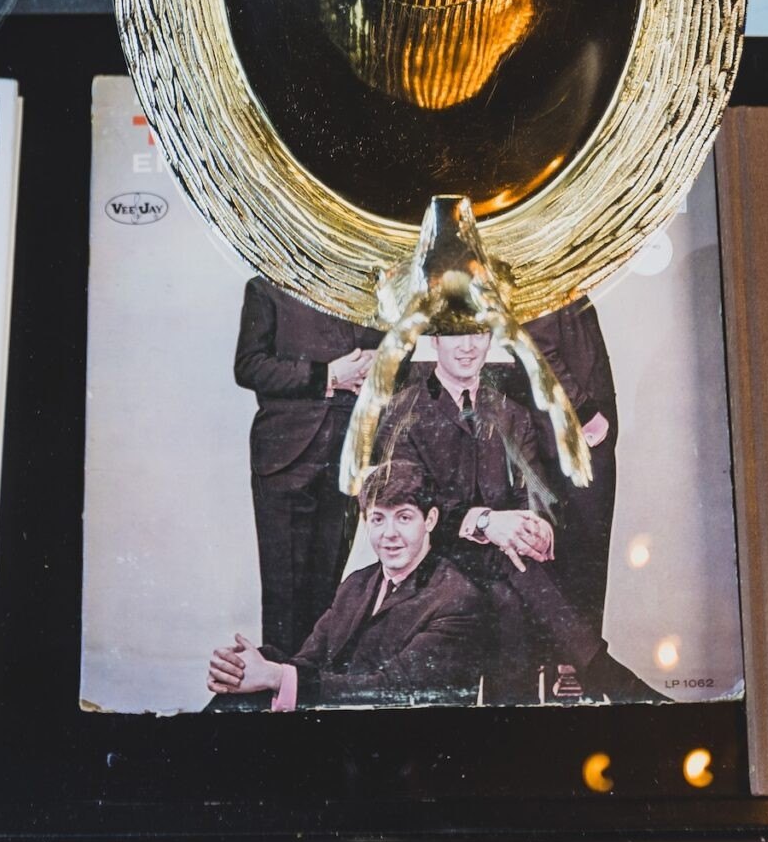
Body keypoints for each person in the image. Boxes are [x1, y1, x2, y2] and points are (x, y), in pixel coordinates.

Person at [376, 331, 659, 703]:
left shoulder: (512, 413)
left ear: (489, 338)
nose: (467, 347)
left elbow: (533, 494)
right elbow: (404, 507)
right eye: (455, 337)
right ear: (434, 342)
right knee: (512, 589)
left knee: (510, 597)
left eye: (476, 336)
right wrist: (485, 523)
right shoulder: (402, 412)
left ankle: (515, 725)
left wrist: (537, 527)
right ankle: (603, 672)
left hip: (502, 558)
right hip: (435, 553)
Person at [207, 460, 484, 711]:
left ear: (430, 520)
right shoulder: (357, 584)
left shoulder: (456, 598)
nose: (389, 534)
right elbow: (308, 662)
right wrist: (248, 668)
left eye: (404, 517)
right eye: (378, 519)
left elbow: (392, 691)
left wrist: (276, 676)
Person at [232, 277, 384, 656]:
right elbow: (249, 366)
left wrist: (384, 361)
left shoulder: (371, 287)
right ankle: (280, 697)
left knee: (329, 593)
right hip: (286, 459)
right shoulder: (266, 287)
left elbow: (397, 348)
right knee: (285, 599)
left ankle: (309, 691)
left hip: (349, 457)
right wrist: (328, 376)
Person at [524, 298, 620, 649]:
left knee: (583, 566)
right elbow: (539, 347)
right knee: (580, 566)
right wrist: (584, 411)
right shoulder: (545, 270)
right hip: (572, 444)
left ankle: (580, 675)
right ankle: (579, 675)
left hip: (574, 444)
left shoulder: (557, 271)